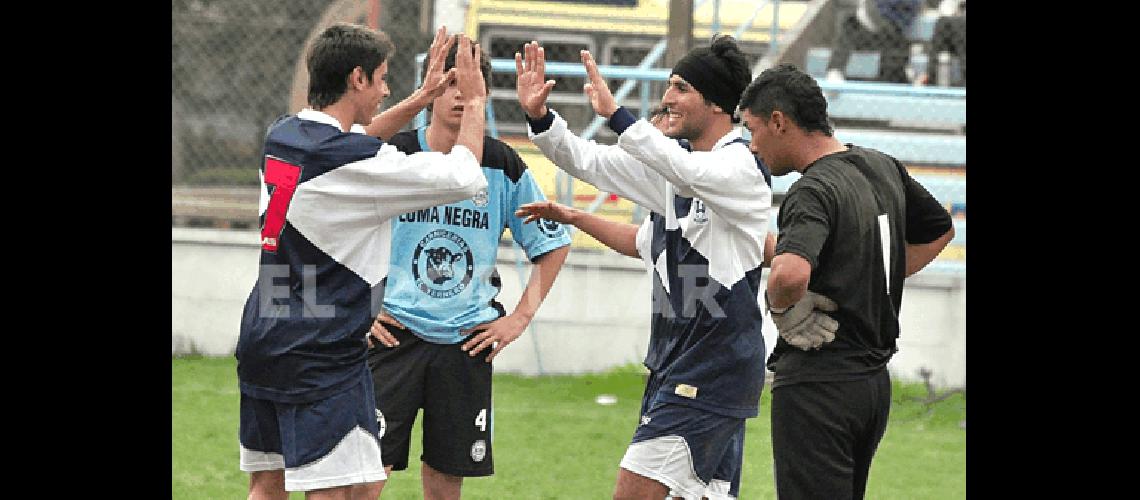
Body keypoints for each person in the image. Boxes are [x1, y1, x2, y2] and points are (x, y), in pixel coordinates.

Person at [514, 35, 779, 500]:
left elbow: (692, 176)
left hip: (711, 368)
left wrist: (619, 116)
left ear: (716, 103)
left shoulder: (738, 166)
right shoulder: (680, 172)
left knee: (633, 493)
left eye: (680, 88)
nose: (667, 99)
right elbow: (590, 161)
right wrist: (540, 118)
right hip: (680, 363)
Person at [234, 24, 491, 499]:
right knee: (339, 490)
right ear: (357, 78)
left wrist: (419, 100)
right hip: (320, 349)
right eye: (381, 78)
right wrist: (474, 102)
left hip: (264, 336)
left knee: (269, 486)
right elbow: (463, 176)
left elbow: (352, 146)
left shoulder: (285, 136)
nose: (385, 89)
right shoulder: (352, 160)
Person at [356, 36, 572, 500]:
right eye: (450, 83)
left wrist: (518, 318)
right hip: (394, 337)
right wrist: (360, 307)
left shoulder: (503, 165)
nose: (458, 95)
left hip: (465, 343)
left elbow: (553, 244)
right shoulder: (394, 155)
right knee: (365, 478)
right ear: (432, 89)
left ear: (484, 95)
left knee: (444, 483)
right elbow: (340, 234)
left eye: (468, 85)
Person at [737, 64, 955, 499]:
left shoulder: (812, 189)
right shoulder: (882, 166)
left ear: (779, 121)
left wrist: (781, 308)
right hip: (872, 386)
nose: (752, 146)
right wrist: (874, 276)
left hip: (820, 384)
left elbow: (789, 273)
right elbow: (940, 230)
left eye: (753, 129)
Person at [826, 0, 922, 83]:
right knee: (850, 23)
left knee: (851, 22)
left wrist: (875, 10)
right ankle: (836, 70)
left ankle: (836, 69)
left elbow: (909, 7)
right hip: (876, 25)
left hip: (896, 26)